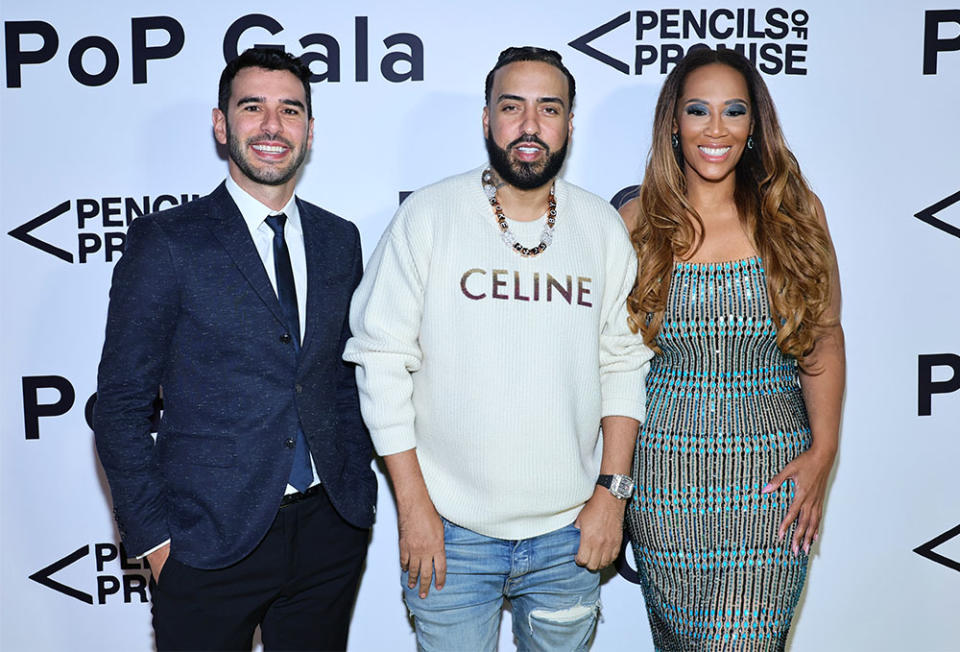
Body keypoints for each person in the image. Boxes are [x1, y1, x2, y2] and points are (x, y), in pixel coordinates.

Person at [343, 46, 652, 651]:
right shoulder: (429, 216)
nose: (530, 126)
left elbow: (623, 364)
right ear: (487, 120)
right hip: (450, 534)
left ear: (568, 124)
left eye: (549, 108)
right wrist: (414, 508)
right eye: (512, 107)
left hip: (570, 532)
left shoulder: (600, 227)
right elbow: (380, 360)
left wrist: (611, 501)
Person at [93, 47, 376, 651]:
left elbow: (342, 379)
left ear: (309, 130)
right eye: (253, 108)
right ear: (222, 125)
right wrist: (158, 544)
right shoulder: (167, 241)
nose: (273, 126)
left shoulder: (338, 239)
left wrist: (355, 502)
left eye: (290, 110)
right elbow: (119, 406)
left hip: (329, 530)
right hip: (205, 541)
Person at [616, 47, 844, 650]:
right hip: (666, 480)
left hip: (772, 479)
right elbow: (609, 360)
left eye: (734, 111)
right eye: (698, 110)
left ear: (754, 125)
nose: (716, 129)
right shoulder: (636, 221)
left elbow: (823, 334)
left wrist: (823, 453)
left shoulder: (794, 214)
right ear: (673, 123)